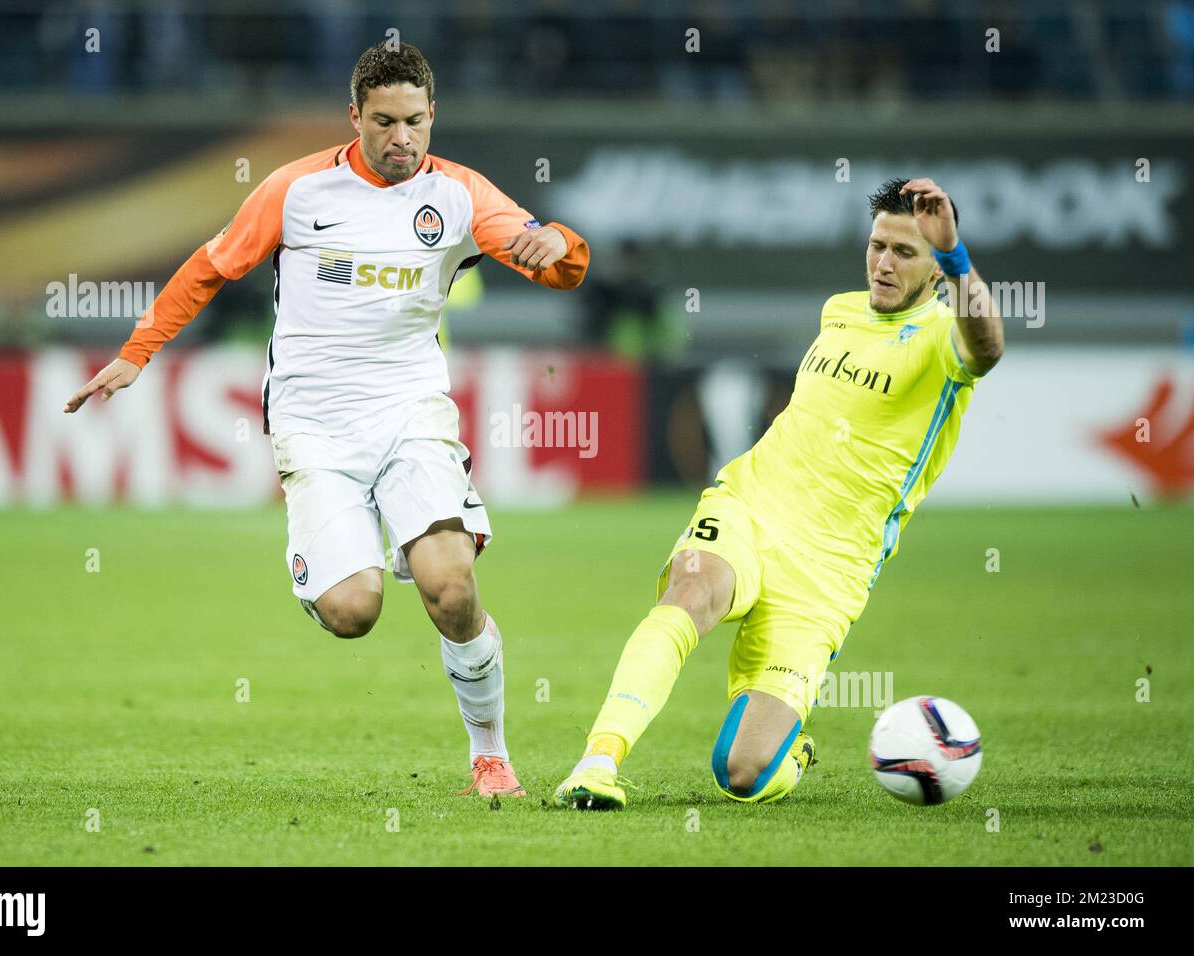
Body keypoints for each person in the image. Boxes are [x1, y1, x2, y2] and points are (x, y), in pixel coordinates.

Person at [65, 41, 590, 799]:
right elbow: (212, 266)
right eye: (383, 122)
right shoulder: (297, 190)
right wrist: (137, 352)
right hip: (313, 422)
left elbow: (563, 266)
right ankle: (331, 560)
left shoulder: (462, 195)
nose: (400, 138)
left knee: (451, 589)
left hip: (412, 412)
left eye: (414, 121)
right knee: (353, 611)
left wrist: (559, 242)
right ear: (355, 117)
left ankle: (490, 754)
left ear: (433, 115)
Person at [554, 177, 1001, 809]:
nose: (883, 263)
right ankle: (597, 763)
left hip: (830, 571)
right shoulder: (840, 310)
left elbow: (988, 348)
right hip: (750, 507)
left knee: (744, 774)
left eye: (906, 253)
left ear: (937, 268)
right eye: (877, 246)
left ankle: (788, 750)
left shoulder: (944, 338)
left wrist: (959, 257)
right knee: (692, 592)